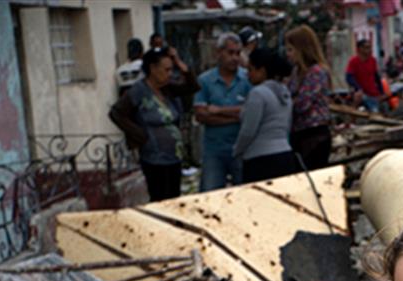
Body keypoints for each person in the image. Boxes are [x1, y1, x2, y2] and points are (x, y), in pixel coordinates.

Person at [109, 47, 198, 202]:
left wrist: (179, 63)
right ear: (153, 68)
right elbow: (116, 113)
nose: (170, 74)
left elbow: (192, 87)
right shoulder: (139, 91)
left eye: (171, 69)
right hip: (154, 157)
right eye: (166, 69)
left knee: (174, 200)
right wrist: (139, 134)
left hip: (174, 156)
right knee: (160, 199)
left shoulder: (168, 89)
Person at [194, 33, 251, 191]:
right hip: (214, 150)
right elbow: (201, 115)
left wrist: (218, 111)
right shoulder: (204, 81)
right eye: (230, 52)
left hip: (241, 148)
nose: (234, 58)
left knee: (245, 195)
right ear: (219, 53)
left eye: (238, 53)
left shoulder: (247, 79)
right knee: (210, 195)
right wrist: (238, 116)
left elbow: (251, 112)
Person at [233, 48, 297, 184]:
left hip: (261, 159)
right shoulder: (284, 92)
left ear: (261, 71)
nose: (247, 75)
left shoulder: (258, 94)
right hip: (285, 154)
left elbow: (248, 131)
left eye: (250, 70)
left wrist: (237, 150)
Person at [285, 24, 332, 170]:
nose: (288, 54)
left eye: (291, 50)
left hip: (314, 136)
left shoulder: (316, 72)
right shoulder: (296, 72)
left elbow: (302, 104)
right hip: (298, 134)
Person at [345, 39, 383, 112]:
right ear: (360, 49)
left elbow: (376, 76)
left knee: (375, 113)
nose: (369, 50)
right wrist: (358, 88)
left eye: (369, 47)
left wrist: (381, 92)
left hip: (373, 94)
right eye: (366, 47)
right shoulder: (354, 61)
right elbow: (348, 77)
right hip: (361, 94)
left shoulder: (372, 60)